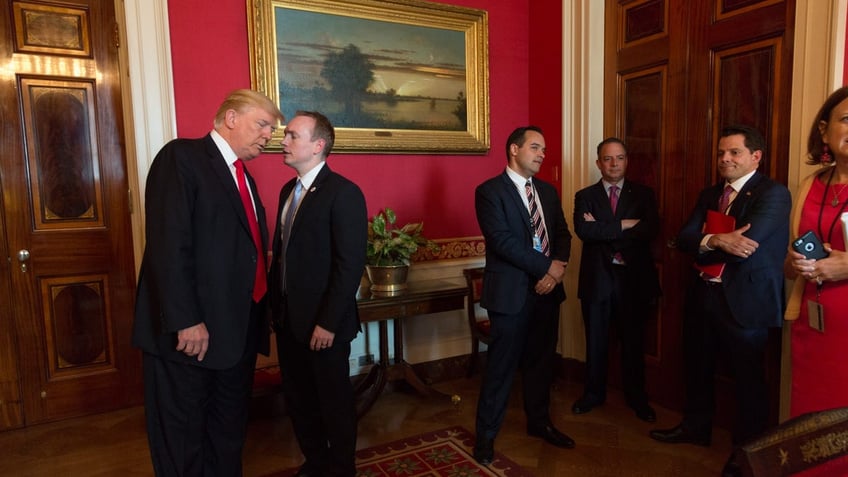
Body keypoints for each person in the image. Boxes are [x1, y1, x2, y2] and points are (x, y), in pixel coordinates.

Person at [132, 89, 284, 476]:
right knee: (183, 438)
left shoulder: (242, 177)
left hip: (236, 334)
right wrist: (186, 320)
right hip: (190, 333)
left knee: (228, 431)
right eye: (262, 124)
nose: (269, 136)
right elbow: (169, 244)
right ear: (231, 118)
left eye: (272, 129)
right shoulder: (182, 157)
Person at [650, 125, 790, 462]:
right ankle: (696, 428)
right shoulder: (710, 194)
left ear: (756, 156)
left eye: (733, 152)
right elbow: (683, 238)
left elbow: (746, 246)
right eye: (720, 153)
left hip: (746, 301)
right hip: (704, 296)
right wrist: (715, 240)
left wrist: (708, 241)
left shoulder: (773, 193)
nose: (724, 159)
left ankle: (747, 455)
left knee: (748, 380)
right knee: (697, 367)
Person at [268, 111, 367, 477]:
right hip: (289, 321)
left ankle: (342, 469)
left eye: (293, 135)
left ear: (318, 145)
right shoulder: (287, 191)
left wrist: (327, 322)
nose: (284, 140)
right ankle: (316, 462)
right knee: (300, 400)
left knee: (334, 403)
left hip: (325, 326)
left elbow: (349, 265)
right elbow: (284, 257)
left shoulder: (344, 193)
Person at [472, 125, 574, 465]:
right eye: (535, 147)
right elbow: (502, 241)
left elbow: (561, 232)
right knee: (501, 369)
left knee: (540, 366)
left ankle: (539, 423)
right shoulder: (489, 191)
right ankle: (485, 438)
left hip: (547, 294)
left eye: (543, 149)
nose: (542, 154)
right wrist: (547, 269)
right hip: (511, 295)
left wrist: (557, 266)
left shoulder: (547, 191)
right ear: (514, 150)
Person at [572, 137, 661, 422]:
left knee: (633, 344)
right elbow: (584, 232)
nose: (614, 164)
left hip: (633, 282)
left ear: (627, 161)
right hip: (597, 281)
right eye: (608, 159)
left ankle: (637, 398)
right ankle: (593, 394)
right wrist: (623, 225)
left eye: (619, 158)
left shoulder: (644, 195)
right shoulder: (584, 196)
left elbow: (650, 230)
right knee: (596, 342)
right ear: (599, 163)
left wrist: (603, 229)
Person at [785, 86, 848, 420]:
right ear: (824, 130)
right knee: (809, 421)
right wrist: (794, 263)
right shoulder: (810, 185)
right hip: (812, 323)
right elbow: (788, 265)